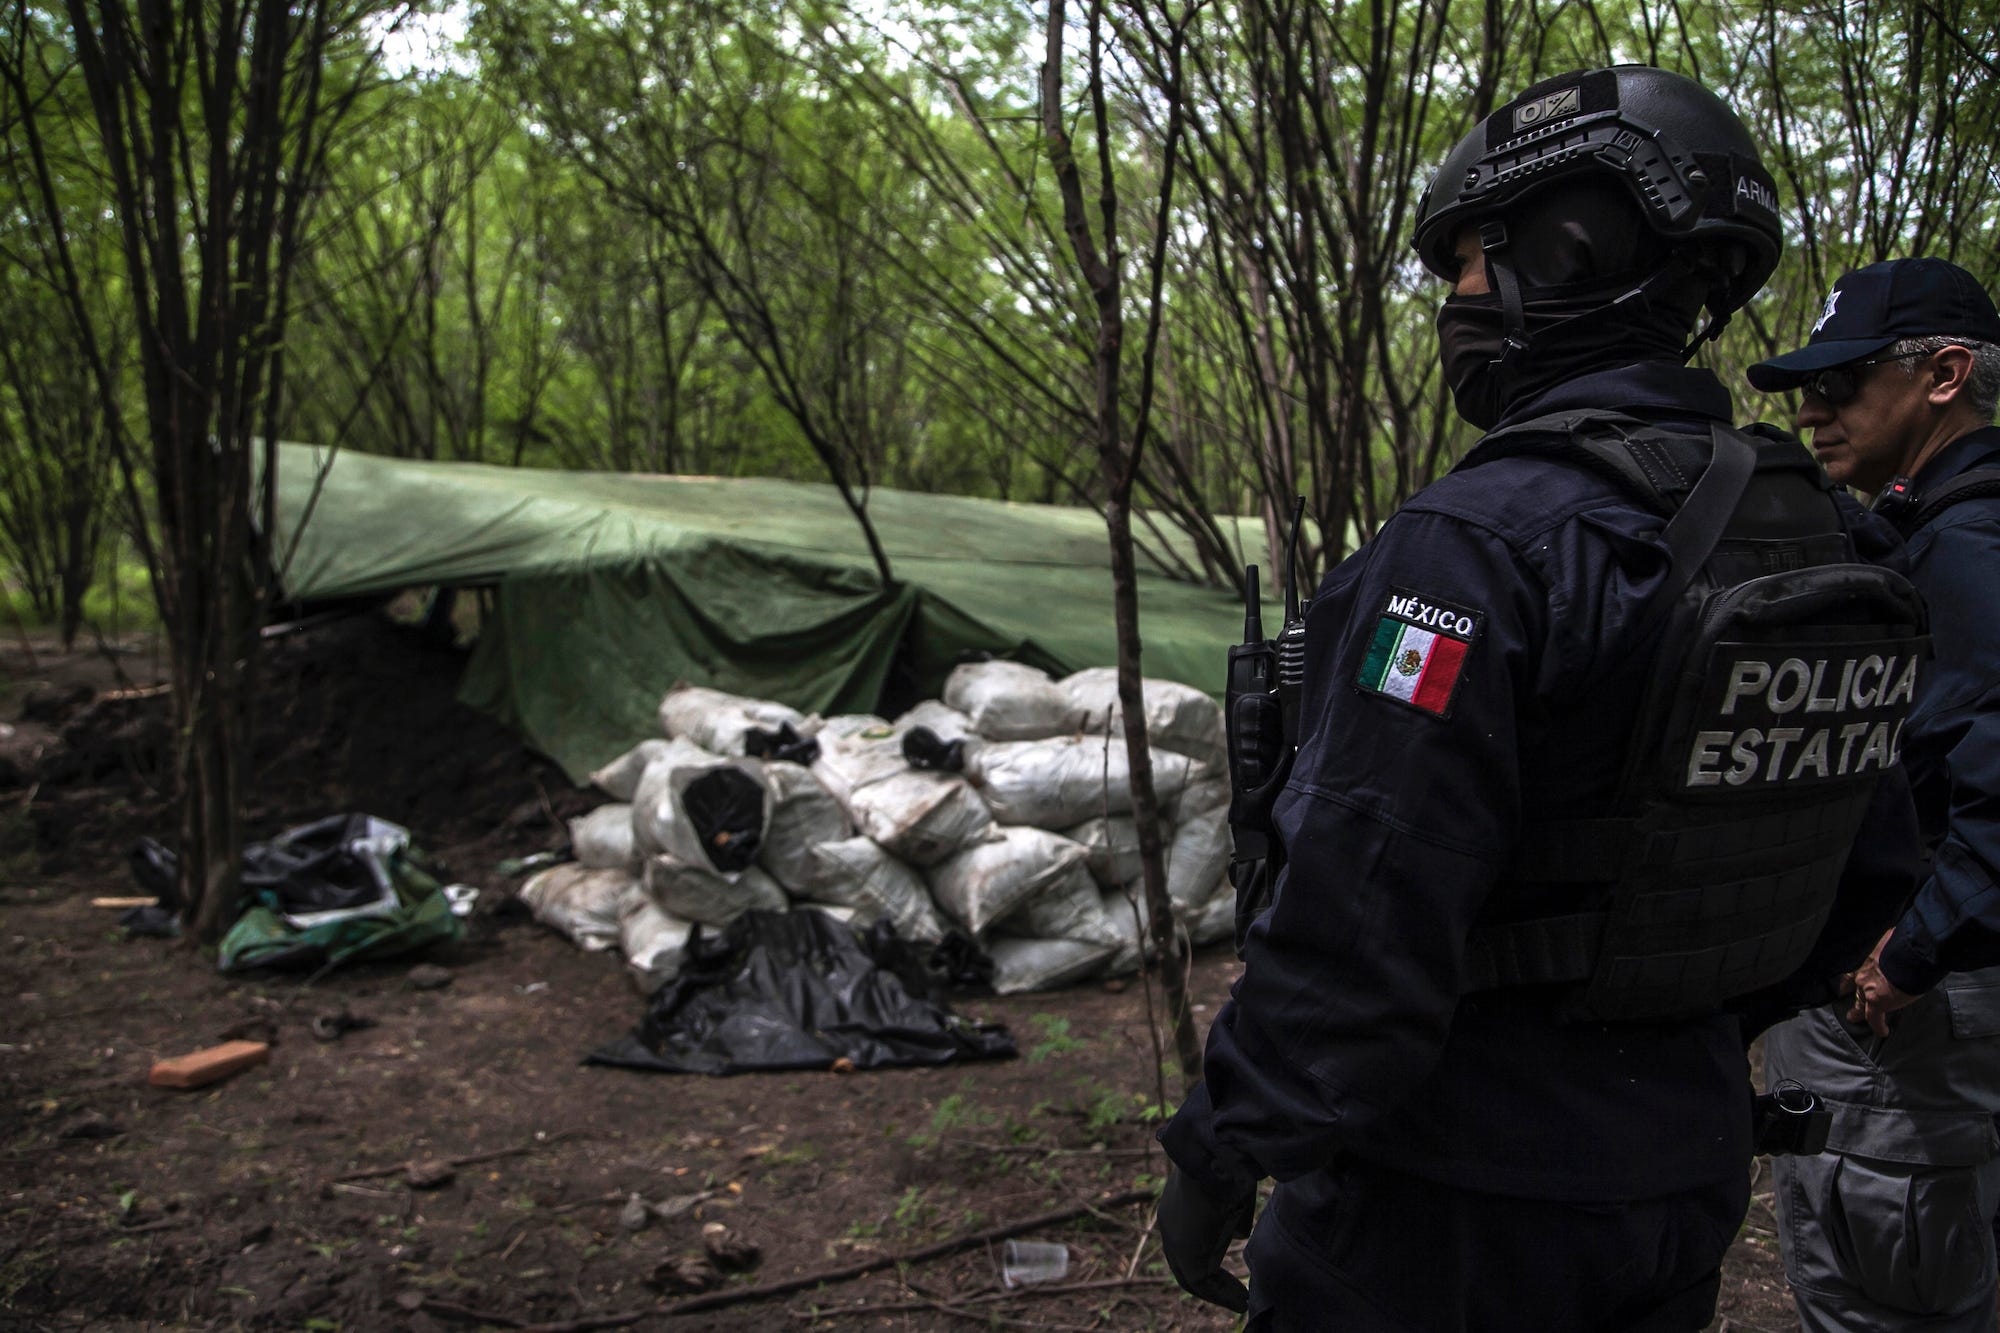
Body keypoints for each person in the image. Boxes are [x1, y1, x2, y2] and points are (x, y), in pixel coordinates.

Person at [1155, 65, 1927, 1331]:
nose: (1456, 303)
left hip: (1447, 1208)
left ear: (1565, 250)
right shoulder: (1819, 534)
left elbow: (1361, 907)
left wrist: (1221, 1143)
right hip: (1678, 1175)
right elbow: (1864, 872)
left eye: (1467, 263)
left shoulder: (1473, 546)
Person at [1750, 257, 2000, 1333]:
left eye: (1842, 383)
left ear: (1943, 374)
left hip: (1913, 1020)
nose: (1812, 409)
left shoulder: (1969, 548)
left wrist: (1903, 955)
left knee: (1877, 1288)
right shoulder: (1925, 528)